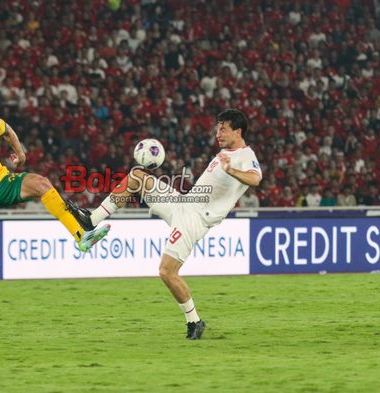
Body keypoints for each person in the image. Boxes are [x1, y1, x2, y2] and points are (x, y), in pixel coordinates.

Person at [0, 81, 109, 337]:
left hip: (2, 182)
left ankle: (81, 237)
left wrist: (20, 153)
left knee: (41, 183)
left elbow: (8, 130)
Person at [67, 109, 261, 340]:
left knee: (166, 271)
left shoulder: (245, 155)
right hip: (184, 203)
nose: (218, 132)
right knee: (137, 176)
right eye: (217, 127)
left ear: (238, 131)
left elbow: (255, 178)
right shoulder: (224, 152)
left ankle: (194, 321)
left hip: (194, 219)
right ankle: (91, 221)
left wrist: (231, 169)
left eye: (223, 128)